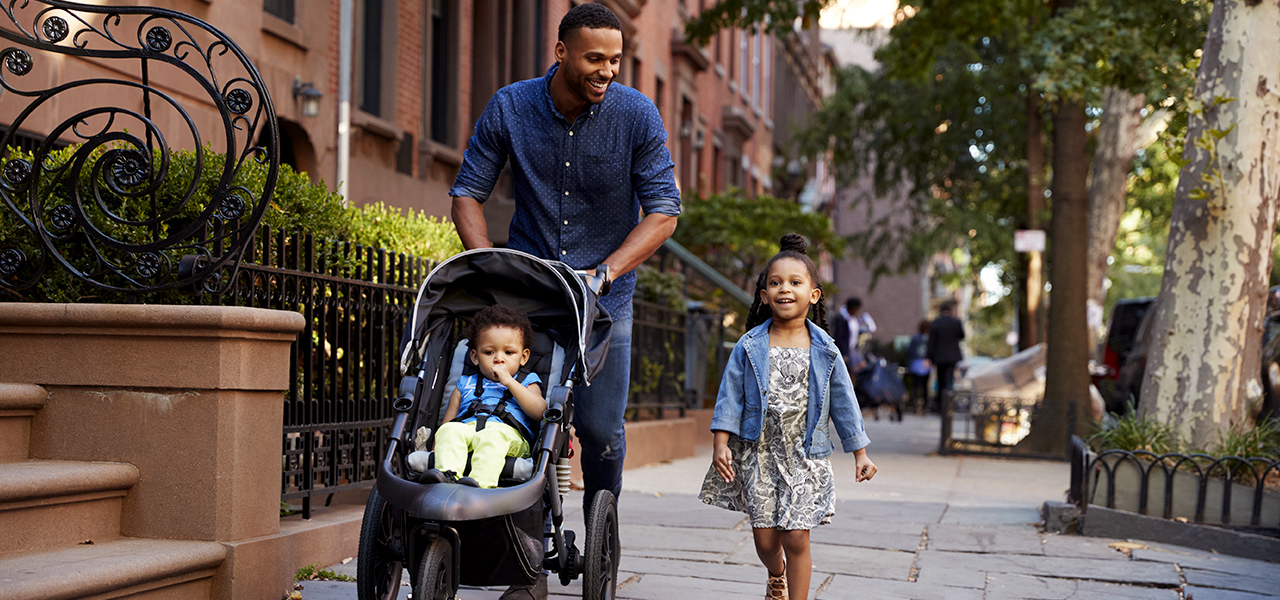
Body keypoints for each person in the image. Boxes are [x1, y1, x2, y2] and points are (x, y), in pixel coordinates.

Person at [449, 4, 680, 597]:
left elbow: (663, 212)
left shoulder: (637, 115)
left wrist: (603, 273)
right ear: (561, 53)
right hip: (528, 295)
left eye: (615, 59)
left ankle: (603, 531)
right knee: (523, 420)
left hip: (606, 302)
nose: (607, 70)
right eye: (594, 58)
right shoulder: (511, 106)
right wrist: (485, 266)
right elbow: (467, 194)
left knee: (601, 431)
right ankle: (526, 565)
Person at [699, 234, 877, 600]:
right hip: (758, 453)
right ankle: (775, 573)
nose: (785, 289)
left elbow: (844, 402)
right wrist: (720, 442)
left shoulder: (826, 350)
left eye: (796, 282)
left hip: (805, 455)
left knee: (796, 535)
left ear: (814, 294)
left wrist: (859, 452)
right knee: (766, 540)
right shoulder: (750, 345)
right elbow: (729, 396)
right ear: (764, 295)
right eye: (775, 283)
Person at [424, 305, 544, 489]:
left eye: (509, 352)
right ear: (475, 356)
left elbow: (539, 411)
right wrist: (435, 447)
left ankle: (480, 486)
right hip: (468, 430)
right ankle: (447, 479)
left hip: (508, 435)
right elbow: (448, 422)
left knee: (492, 436)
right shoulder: (465, 383)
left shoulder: (526, 381)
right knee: (449, 431)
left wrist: (510, 382)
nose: (499, 359)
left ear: (523, 357)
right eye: (489, 352)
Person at [926, 300, 965, 413]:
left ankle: (940, 405)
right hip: (952, 356)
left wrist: (929, 357)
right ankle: (947, 405)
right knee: (948, 380)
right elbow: (962, 336)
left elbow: (931, 341)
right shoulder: (956, 322)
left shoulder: (936, 322)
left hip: (939, 356)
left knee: (940, 379)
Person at [833, 297, 876, 373]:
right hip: (844, 351)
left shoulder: (853, 319)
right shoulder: (842, 318)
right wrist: (843, 353)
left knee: (860, 367)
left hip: (852, 349)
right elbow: (839, 336)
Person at [904, 319, 932, 413]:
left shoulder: (916, 338)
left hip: (915, 363)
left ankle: (915, 404)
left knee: (915, 386)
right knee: (925, 387)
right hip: (926, 363)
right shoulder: (930, 339)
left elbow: (909, 350)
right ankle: (925, 406)